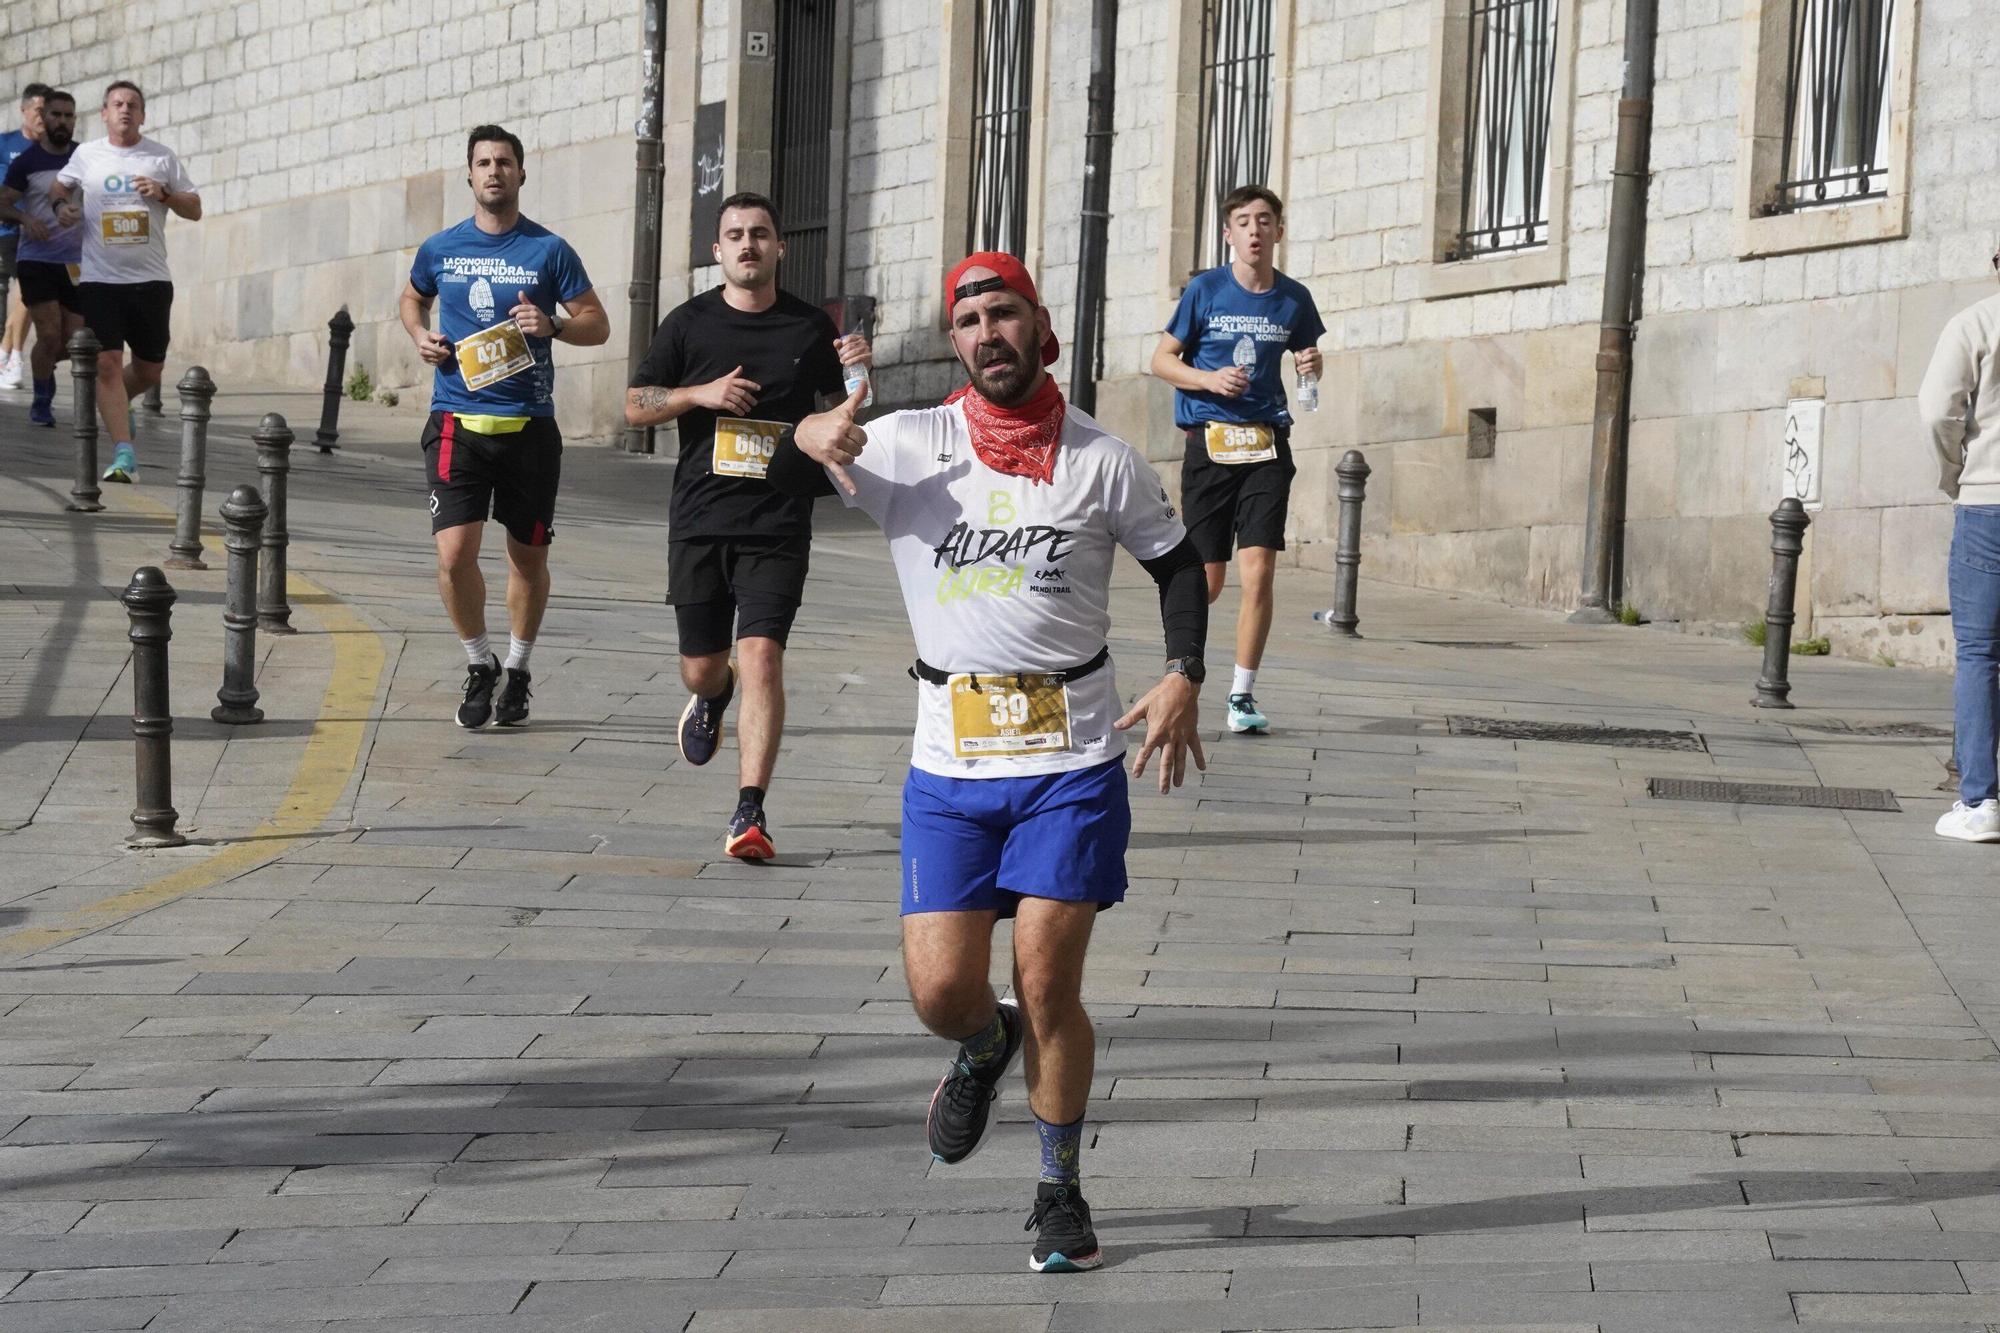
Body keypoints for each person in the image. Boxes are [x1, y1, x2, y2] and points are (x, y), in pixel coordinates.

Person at [774, 252, 1208, 1273]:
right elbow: (808, 445)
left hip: (1070, 761)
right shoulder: (906, 444)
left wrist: (1185, 670)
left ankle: (1058, 1190)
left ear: (1037, 323)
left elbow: (1177, 563)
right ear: (952, 341)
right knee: (939, 992)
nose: (984, 334)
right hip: (948, 769)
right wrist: (810, 429)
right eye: (965, 320)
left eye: (1000, 313)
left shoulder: (1101, 461)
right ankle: (980, 1044)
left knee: (1048, 982)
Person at [624, 191, 870, 861]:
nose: (748, 244)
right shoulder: (688, 324)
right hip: (701, 518)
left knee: (762, 653)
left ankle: (749, 811)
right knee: (703, 666)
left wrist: (858, 368)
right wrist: (697, 394)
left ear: (779, 246)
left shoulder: (808, 328)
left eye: (760, 233)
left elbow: (843, 411)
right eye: (735, 234)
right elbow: (635, 406)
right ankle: (713, 694)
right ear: (717, 250)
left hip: (778, 518)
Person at [400, 125, 608, 730]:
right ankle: (478, 662)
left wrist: (554, 326)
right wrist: (421, 336)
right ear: (469, 175)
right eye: (484, 163)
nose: (494, 172)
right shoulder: (440, 248)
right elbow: (411, 300)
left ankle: (517, 669)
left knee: (526, 558)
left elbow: (597, 324)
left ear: (521, 174)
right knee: (453, 554)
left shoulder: (550, 251)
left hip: (529, 429)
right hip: (456, 420)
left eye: (505, 163)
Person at [1149, 184, 1325, 735]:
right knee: (1208, 578)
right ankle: (1182, 673)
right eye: (1244, 221)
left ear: (1278, 231)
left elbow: (1306, 366)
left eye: (1264, 220)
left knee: (1260, 570)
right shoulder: (1206, 291)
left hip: (1267, 442)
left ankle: (1242, 695)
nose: (1255, 230)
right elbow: (1160, 360)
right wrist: (1208, 379)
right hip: (1210, 443)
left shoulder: (1294, 299)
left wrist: (1311, 368)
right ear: (1229, 233)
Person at [52, 81, 200, 483]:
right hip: (100, 278)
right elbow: (60, 187)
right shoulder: (87, 156)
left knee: (150, 371)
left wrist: (165, 193)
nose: (124, 110)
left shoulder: (161, 158)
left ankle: (121, 403)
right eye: (117, 104)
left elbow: (195, 208)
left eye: (133, 105)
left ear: (143, 115)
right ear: (103, 113)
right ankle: (124, 455)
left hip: (151, 279)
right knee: (107, 363)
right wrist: (62, 208)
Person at [1921, 253, 2000, 843]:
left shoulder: (1976, 322)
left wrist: (1956, 473)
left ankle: (1981, 802)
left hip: (1988, 504)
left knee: (1979, 654)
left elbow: (1937, 409)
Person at [0, 88, 83, 425]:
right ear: (43, 118)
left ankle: (43, 373)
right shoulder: (27, 162)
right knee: (49, 335)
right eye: (56, 115)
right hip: (37, 260)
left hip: (78, 263)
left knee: (73, 342)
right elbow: (3, 202)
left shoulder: (85, 157)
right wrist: (26, 219)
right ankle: (41, 401)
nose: (62, 121)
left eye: (68, 116)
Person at [0, 83, 47, 391]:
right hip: (10, 228)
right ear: (24, 111)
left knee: (30, 294)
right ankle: (13, 354)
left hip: (43, 230)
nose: (44, 118)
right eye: (39, 111)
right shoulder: (5, 143)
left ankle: (8, 351)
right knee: (27, 292)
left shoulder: (52, 149)